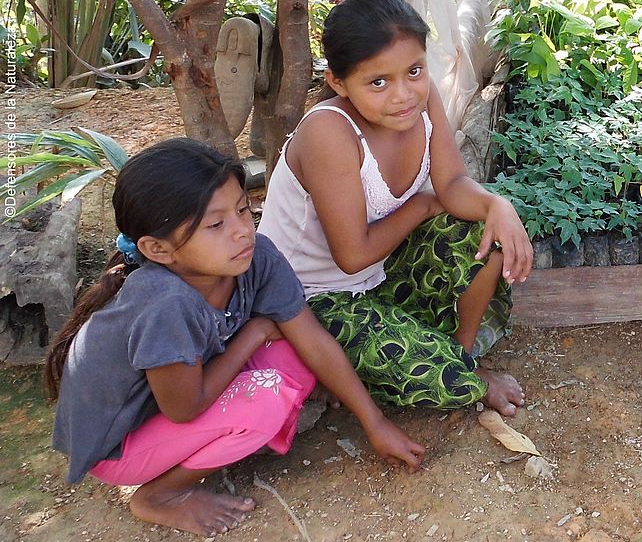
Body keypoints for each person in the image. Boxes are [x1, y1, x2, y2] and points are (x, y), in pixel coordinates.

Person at [47, 138, 424, 537]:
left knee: (297, 356)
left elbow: (311, 338)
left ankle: (235, 435)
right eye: (216, 225)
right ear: (158, 249)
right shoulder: (164, 303)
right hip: (122, 444)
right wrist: (255, 334)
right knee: (265, 401)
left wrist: (374, 422)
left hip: (185, 391)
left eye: (243, 210)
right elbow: (185, 409)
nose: (242, 231)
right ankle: (159, 495)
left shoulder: (257, 257)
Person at [258, 0, 533, 416]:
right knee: (424, 370)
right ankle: (452, 373)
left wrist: (497, 205)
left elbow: (453, 181)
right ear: (338, 82)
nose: (403, 94)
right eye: (378, 82)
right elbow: (351, 256)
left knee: (487, 237)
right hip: (310, 300)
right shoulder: (329, 133)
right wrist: (424, 205)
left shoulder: (422, 104)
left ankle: (458, 357)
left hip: (381, 270)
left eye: (415, 71)